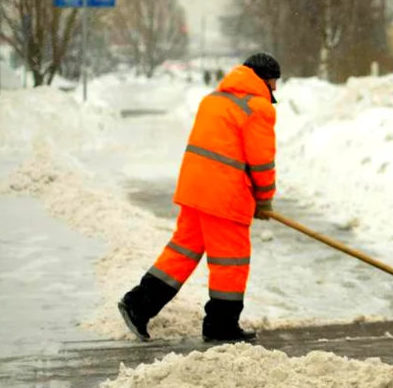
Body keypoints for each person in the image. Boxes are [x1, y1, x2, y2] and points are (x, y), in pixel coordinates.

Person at [117, 53, 281, 343]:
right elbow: (261, 163)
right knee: (231, 261)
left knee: (183, 251)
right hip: (224, 198)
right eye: (274, 82)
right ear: (264, 79)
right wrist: (264, 199)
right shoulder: (258, 109)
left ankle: (138, 305)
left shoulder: (213, 101)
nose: (276, 89)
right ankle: (221, 324)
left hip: (195, 190)